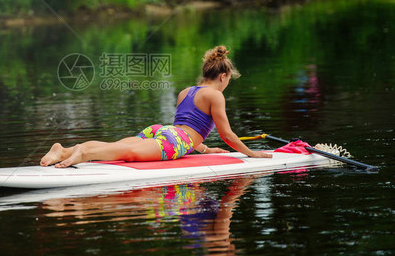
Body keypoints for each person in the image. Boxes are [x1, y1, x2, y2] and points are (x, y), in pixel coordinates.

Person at [40, 45, 271, 168]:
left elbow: (188, 130)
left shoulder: (186, 91)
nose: (227, 84)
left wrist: (206, 150)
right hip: (174, 139)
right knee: (128, 153)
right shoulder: (216, 96)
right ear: (222, 76)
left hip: (162, 131)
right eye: (229, 80)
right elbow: (227, 134)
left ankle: (65, 150)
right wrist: (251, 154)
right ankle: (85, 154)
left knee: (119, 146)